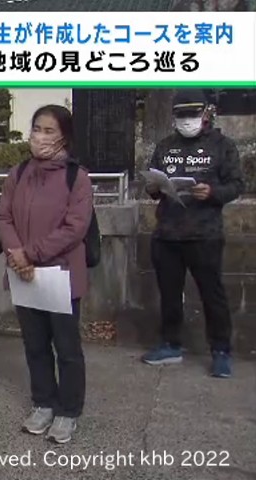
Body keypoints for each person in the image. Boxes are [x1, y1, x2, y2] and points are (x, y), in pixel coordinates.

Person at [0, 105, 94, 445]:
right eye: (36, 128)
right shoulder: (18, 172)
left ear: (64, 136)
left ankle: (68, 411)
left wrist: (30, 254)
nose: (40, 136)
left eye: (49, 130)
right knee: (34, 345)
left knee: (66, 347)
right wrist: (16, 253)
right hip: (24, 274)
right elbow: (2, 218)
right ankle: (43, 403)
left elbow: (75, 228)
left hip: (60, 277)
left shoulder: (75, 177)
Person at [141, 89, 243, 378]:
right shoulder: (165, 146)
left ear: (205, 113)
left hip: (205, 235)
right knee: (170, 294)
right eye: (181, 116)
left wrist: (212, 192)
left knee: (213, 295)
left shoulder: (223, 146)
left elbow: (236, 185)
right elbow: (152, 181)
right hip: (168, 234)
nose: (187, 121)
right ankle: (171, 344)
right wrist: (153, 187)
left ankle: (221, 350)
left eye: (192, 115)